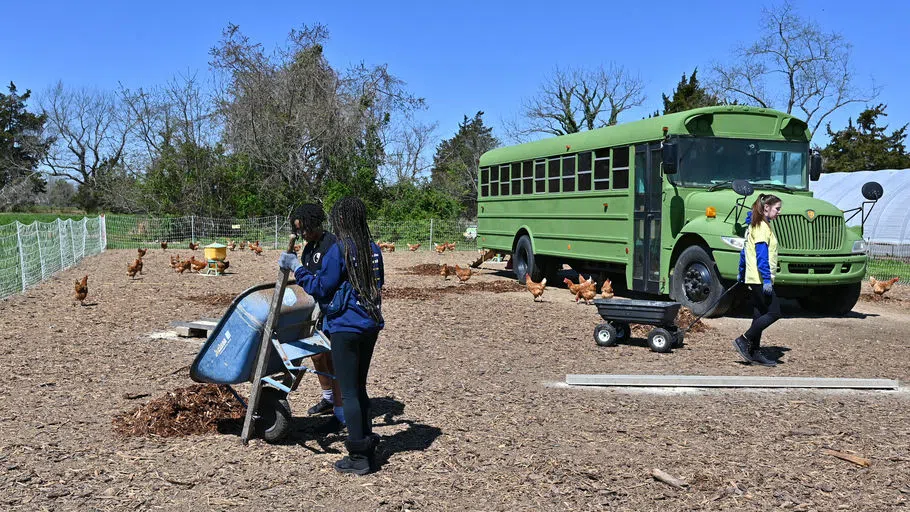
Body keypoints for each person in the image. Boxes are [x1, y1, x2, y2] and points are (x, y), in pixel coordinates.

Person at [279, 196, 384, 475]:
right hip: (370, 325)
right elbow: (378, 284)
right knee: (359, 387)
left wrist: (296, 268)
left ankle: (359, 456)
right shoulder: (373, 249)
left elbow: (321, 287)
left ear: (341, 219)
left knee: (349, 392)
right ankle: (368, 439)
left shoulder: (340, 249)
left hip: (346, 326)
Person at [290, 204, 345, 428]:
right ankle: (328, 398)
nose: (302, 234)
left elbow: (326, 284)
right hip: (317, 308)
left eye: (305, 228)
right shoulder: (309, 248)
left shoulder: (331, 245)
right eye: (299, 230)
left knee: (336, 359)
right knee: (318, 356)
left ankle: (340, 410)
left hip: (335, 308)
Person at [733, 193, 782, 367]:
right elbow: (761, 256)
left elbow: (744, 252)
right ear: (766, 208)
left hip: (753, 277)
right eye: (777, 208)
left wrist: (741, 272)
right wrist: (767, 279)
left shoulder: (754, 225)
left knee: (759, 313)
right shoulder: (761, 226)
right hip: (760, 278)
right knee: (774, 312)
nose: (779, 212)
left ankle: (754, 352)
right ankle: (744, 340)